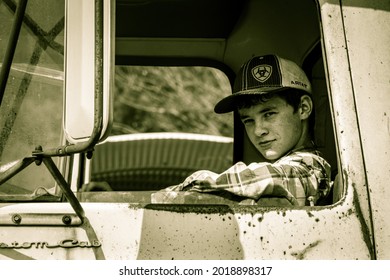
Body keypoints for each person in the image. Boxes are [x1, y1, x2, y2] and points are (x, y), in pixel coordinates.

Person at [152, 54, 332, 206]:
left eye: (269, 114)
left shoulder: (311, 166)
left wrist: (185, 188)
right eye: (248, 120)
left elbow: (270, 178)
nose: (258, 130)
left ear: (303, 108)